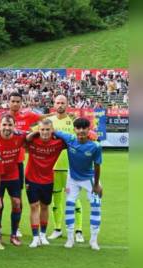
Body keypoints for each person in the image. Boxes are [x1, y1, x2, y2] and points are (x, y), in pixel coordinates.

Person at [0, 92, 43, 238]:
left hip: (16, 165)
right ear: (8, 102)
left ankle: (15, 230)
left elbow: (41, 125)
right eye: (12, 101)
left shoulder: (25, 121)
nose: (15, 104)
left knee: (17, 200)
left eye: (17, 101)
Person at [54, 118, 103, 251]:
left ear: (89, 129)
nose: (81, 131)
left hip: (89, 178)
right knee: (69, 204)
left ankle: (94, 240)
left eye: (84, 128)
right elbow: (53, 131)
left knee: (96, 205)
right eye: (78, 128)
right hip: (73, 178)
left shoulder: (95, 146)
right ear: (74, 129)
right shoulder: (70, 139)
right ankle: (70, 239)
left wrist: (97, 184)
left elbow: (97, 166)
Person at [47, 95, 85, 242]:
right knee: (56, 201)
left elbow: (83, 139)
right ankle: (57, 229)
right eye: (58, 102)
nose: (60, 105)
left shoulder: (74, 122)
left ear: (67, 104)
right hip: (54, 168)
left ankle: (78, 231)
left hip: (71, 168)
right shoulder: (49, 122)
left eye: (63, 102)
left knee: (74, 200)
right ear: (54, 104)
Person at [25, 119, 65, 248]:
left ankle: (43, 235)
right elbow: (22, 139)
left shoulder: (58, 143)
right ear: (38, 130)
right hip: (31, 178)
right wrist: (32, 134)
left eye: (48, 129)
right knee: (34, 206)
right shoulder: (32, 141)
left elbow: (73, 140)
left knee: (44, 206)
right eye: (42, 129)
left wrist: (58, 133)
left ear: (52, 130)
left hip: (48, 179)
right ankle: (35, 237)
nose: (45, 132)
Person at [0, 114, 27, 246]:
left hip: (13, 176)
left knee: (17, 203)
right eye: (4, 125)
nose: (7, 127)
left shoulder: (20, 136)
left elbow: (36, 134)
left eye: (10, 125)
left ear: (14, 126)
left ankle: (14, 234)